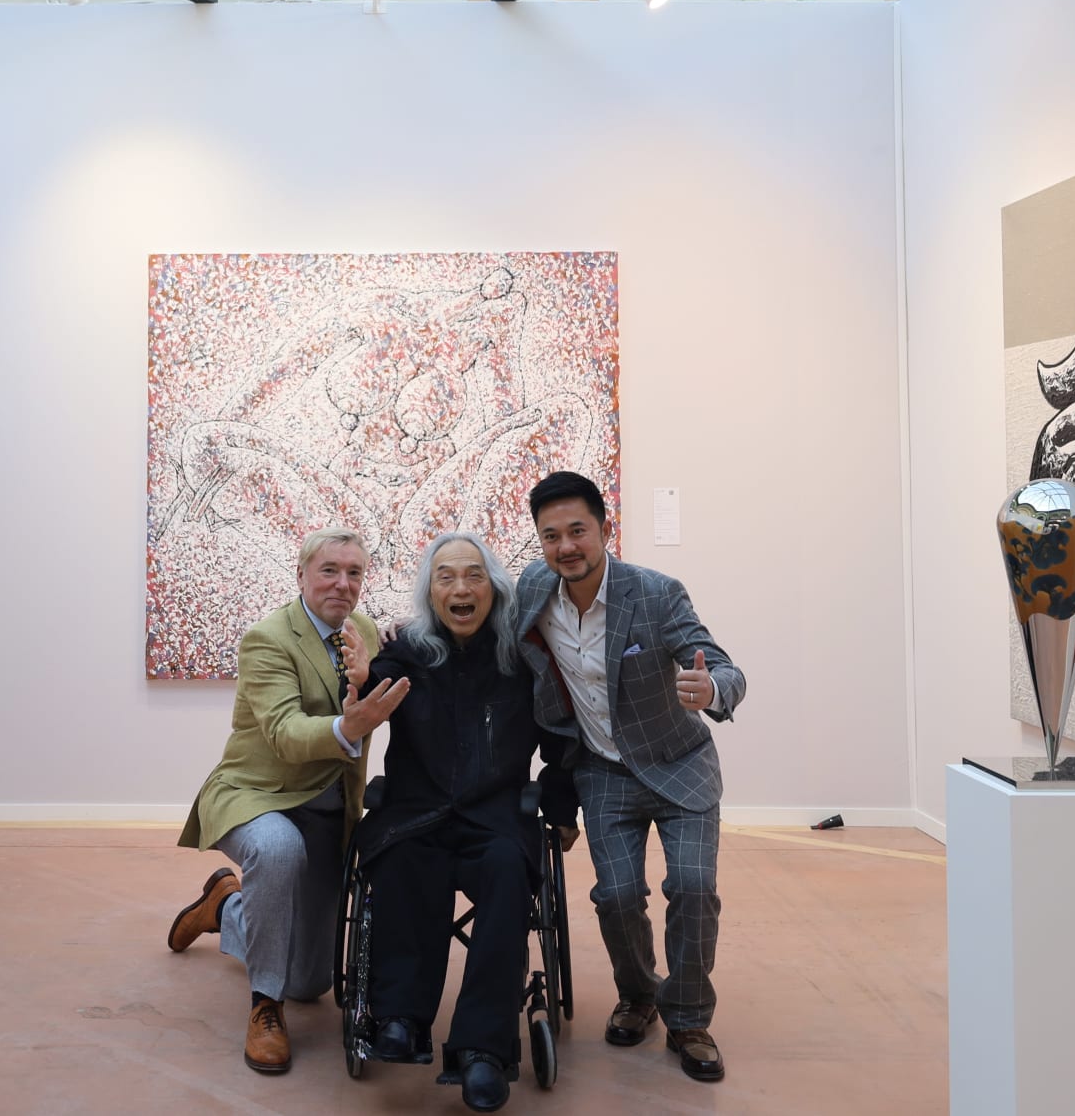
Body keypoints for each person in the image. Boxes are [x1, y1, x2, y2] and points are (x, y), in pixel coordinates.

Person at [511, 472, 746, 1083]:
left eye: (578, 531)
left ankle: (690, 1017)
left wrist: (712, 687)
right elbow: (492, 647)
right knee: (616, 898)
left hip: (679, 764)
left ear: (605, 528)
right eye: (551, 535)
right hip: (603, 770)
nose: (566, 546)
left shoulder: (656, 593)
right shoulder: (534, 591)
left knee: (693, 887)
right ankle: (639, 995)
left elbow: (721, 664)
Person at [169, 526, 410, 1075]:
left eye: (354, 573)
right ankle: (264, 1009)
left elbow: (393, 675)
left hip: (327, 808)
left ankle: (226, 906)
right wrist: (348, 727)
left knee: (310, 983)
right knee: (278, 851)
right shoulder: (267, 638)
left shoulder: (364, 631)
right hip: (256, 795)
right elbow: (284, 731)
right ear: (301, 574)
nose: (342, 584)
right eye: (329, 570)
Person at [355, 531, 575, 1113]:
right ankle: (399, 1016)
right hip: (415, 814)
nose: (461, 588)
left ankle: (483, 1050)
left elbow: (559, 742)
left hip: (495, 819)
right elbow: (368, 691)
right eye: (446, 576)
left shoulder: (521, 658)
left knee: (508, 874)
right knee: (402, 862)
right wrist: (356, 676)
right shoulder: (405, 652)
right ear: (430, 592)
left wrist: (561, 809)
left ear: (494, 589)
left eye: (474, 575)